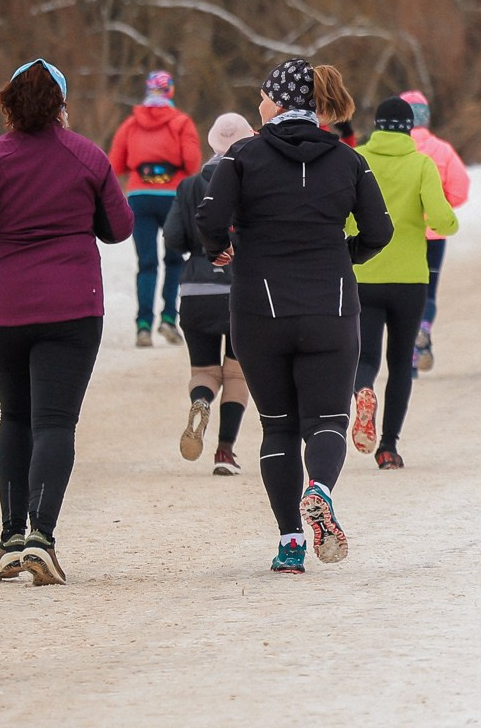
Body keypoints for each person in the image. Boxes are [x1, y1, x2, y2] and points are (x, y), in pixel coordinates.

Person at [194, 57, 394, 575]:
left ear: (279, 101)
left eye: (263, 95)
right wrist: (343, 254)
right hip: (330, 304)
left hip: (260, 308)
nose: (258, 103)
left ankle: (289, 544)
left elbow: (210, 216)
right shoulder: (349, 160)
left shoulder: (242, 156)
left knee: (278, 427)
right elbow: (380, 232)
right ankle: (320, 490)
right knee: (327, 420)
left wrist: (220, 248)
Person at [0, 59, 132, 587]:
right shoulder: (87, 156)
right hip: (72, 305)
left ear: (9, 102)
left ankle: (8, 540)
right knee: (54, 422)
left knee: (15, 417)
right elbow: (120, 227)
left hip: (2, 306)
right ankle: (41, 540)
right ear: (62, 105)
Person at [350, 96, 457, 470]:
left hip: (362, 275)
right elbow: (443, 219)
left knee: (364, 357)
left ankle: (362, 392)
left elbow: (344, 216)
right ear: (410, 128)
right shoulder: (422, 164)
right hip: (410, 281)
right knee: (400, 363)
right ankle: (388, 447)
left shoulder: (358, 160)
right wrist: (446, 224)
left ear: (376, 125)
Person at [158, 112, 256, 476]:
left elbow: (172, 238)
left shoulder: (188, 187)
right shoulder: (253, 180)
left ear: (212, 143)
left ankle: (200, 401)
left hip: (197, 289)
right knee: (237, 373)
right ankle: (225, 451)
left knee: (203, 369)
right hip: (240, 287)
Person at [107, 69, 203, 349]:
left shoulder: (130, 124)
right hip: (172, 196)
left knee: (146, 263)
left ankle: (143, 325)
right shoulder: (181, 122)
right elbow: (192, 162)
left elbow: (115, 164)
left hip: (140, 195)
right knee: (174, 260)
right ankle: (169, 319)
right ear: (170, 91)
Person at [398, 88, 469, 374]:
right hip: (433, 232)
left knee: (403, 293)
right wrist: (441, 206)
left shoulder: (394, 150)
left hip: (401, 233)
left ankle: (407, 360)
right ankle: (423, 330)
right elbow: (460, 190)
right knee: (427, 293)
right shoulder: (442, 150)